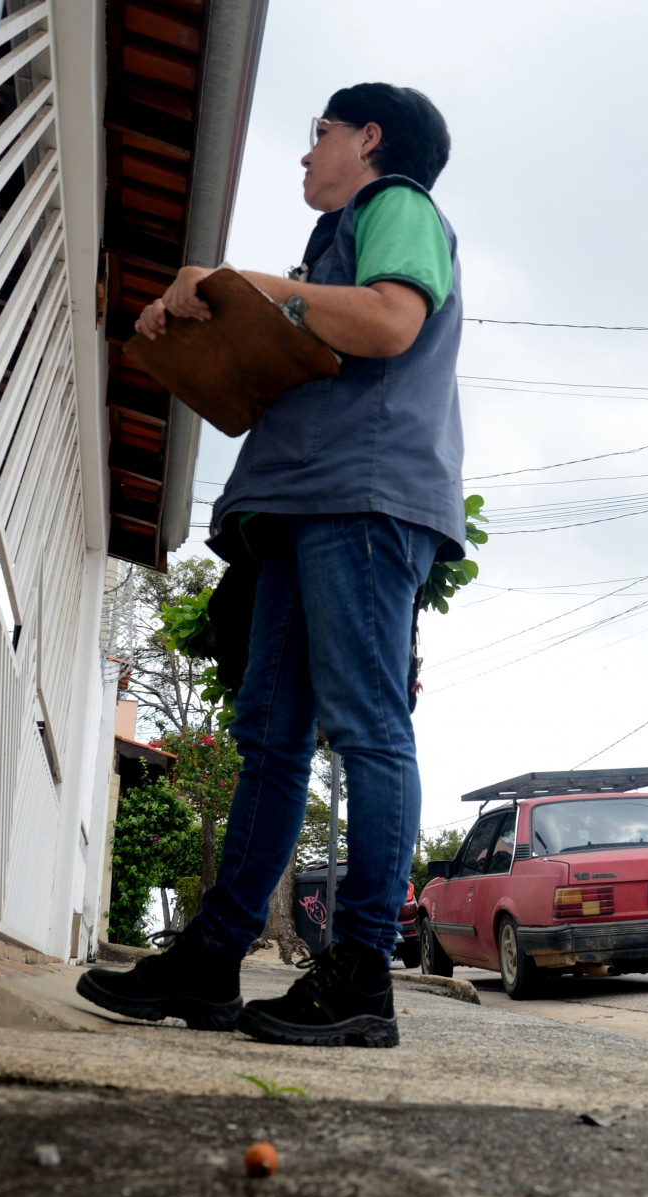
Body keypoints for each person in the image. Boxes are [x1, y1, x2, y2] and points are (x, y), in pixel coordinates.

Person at [77, 84, 464, 1048]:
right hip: (303, 509)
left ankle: (361, 972)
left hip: (365, 502)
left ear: (369, 139)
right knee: (272, 740)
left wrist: (252, 285)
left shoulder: (397, 206)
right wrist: (220, 316)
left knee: (367, 731)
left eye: (319, 136)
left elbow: (388, 324)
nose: (305, 157)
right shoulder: (335, 243)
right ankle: (209, 959)